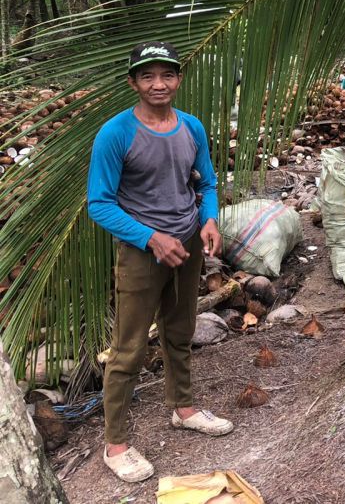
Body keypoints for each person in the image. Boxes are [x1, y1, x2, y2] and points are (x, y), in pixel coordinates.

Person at [87, 41, 233, 483]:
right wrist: (151, 238)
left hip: (187, 243)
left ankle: (183, 408)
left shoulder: (191, 127)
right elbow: (99, 203)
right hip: (141, 250)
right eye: (147, 76)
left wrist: (209, 219)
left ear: (178, 79)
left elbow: (206, 181)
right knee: (128, 346)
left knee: (180, 329)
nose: (158, 84)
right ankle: (116, 445)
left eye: (166, 75)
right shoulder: (116, 134)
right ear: (133, 82)